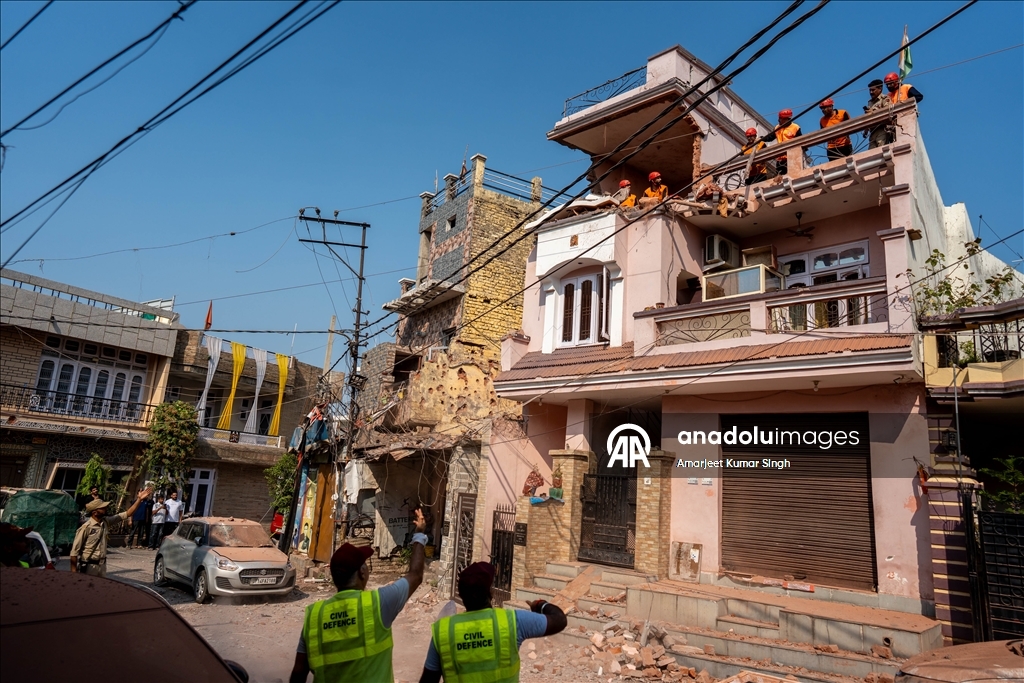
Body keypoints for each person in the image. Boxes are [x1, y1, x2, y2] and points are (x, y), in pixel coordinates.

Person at [289, 509, 429, 683]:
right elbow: (415, 575)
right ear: (362, 572)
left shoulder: (315, 616)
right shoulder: (379, 603)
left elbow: (299, 672)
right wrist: (419, 535)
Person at [419, 562, 567, 683]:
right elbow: (559, 620)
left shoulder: (443, 631)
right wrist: (540, 604)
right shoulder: (512, 621)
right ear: (490, 592)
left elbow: (428, 680)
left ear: (461, 595)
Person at [70, 487, 152, 577]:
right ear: (95, 512)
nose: (106, 508)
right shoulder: (86, 528)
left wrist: (139, 499)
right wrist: (74, 574)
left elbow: (127, 513)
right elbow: (74, 552)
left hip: (102, 565)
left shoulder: (106, 521)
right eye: (102, 508)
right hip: (89, 566)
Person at [773, 109, 801, 176]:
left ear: (787, 119)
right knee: (780, 178)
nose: (779, 120)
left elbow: (800, 141)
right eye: (779, 118)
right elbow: (770, 137)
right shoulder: (777, 127)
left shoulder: (795, 127)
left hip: (791, 157)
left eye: (781, 118)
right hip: (780, 159)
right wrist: (762, 138)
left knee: (793, 176)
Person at [864, 79, 890, 148]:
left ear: (880, 89)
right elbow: (868, 117)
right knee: (872, 153)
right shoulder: (870, 102)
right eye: (870, 90)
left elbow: (887, 113)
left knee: (881, 149)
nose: (871, 92)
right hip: (872, 131)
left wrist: (873, 112)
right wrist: (866, 129)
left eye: (873, 90)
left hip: (882, 129)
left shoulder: (884, 99)